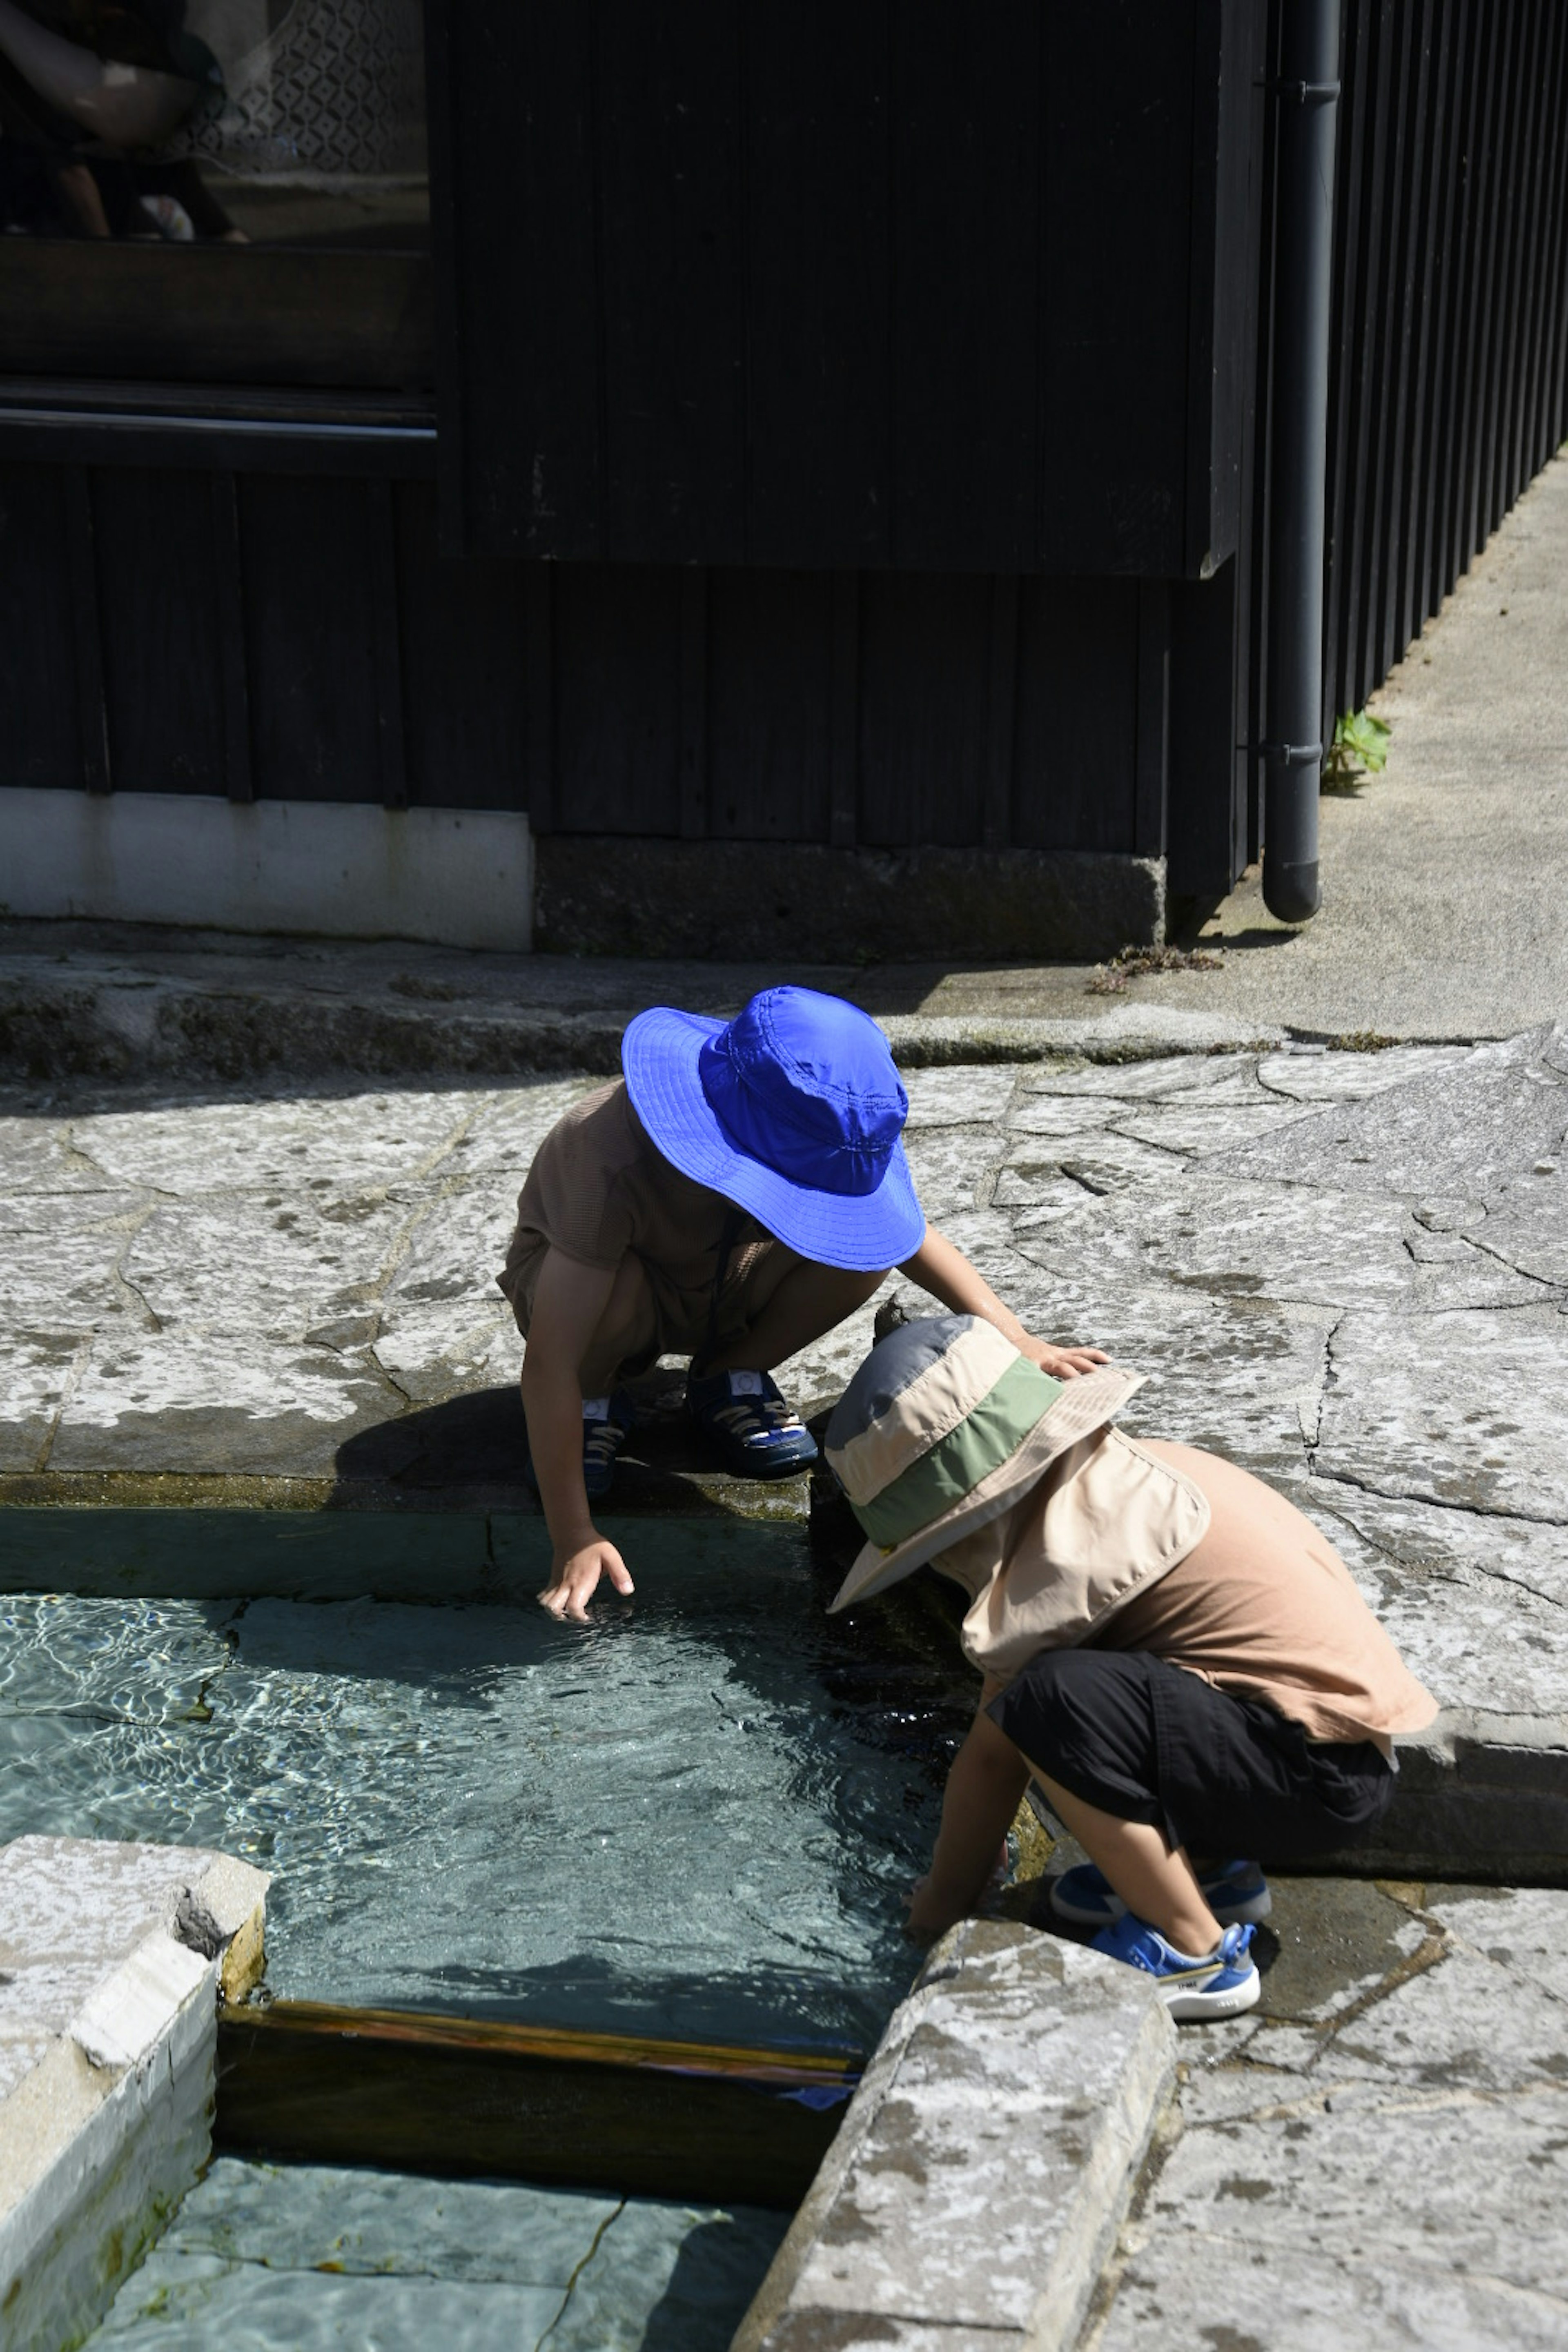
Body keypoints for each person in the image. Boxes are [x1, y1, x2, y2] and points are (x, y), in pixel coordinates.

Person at [821, 1313, 1438, 2021]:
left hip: (1309, 1781)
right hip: (1340, 1754)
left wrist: (938, 1910)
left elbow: (996, 1758)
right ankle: (1209, 1873)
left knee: (1049, 1705)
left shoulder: (1063, 1567)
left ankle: (1195, 1949)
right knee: (1086, 1694)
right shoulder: (1130, 1484)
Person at [498, 986, 1107, 1622]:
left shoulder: (821, 1123)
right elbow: (549, 1363)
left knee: (866, 1246)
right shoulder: (606, 1155)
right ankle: (598, 1397)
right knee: (612, 1298)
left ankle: (725, 1376)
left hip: (722, 1279)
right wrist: (574, 1535)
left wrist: (1017, 1337)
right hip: (600, 1307)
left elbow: (912, 1239)